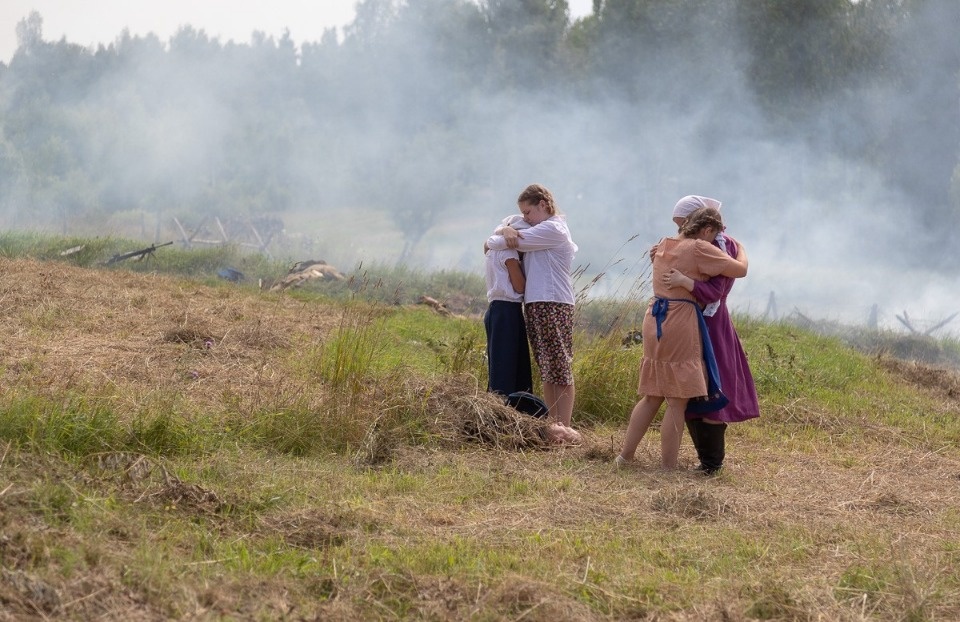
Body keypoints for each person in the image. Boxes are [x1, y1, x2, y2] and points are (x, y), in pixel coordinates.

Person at [616, 206, 748, 470]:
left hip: (654, 316)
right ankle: (668, 467)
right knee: (677, 400)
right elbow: (740, 269)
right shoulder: (700, 248)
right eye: (715, 234)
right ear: (707, 230)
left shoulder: (664, 244)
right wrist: (741, 248)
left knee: (652, 396)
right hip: (680, 319)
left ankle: (625, 457)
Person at [663, 196, 760, 474]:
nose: (681, 231)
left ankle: (711, 463)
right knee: (692, 386)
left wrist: (686, 282)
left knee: (713, 386)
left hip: (712, 324)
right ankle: (706, 460)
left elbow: (718, 290)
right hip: (689, 321)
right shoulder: (694, 243)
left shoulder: (722, 245)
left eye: (683, 223)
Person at [485, 184, 580, 443]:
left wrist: (497, 236)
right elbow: (510, 227)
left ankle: (565, 427)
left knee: (560, 366)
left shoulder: (553, 229)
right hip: (537, 302)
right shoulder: (536, 227)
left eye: (528, 212)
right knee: (547, 367)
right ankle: (554, 424)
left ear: (543, 205)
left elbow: (499, 243)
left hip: (554, 301)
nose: (525, 218)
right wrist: (505, 228)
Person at [484, 214, 533, 397]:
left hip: (495, 308)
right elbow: (519, 286)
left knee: (499, 361)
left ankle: (500, 402)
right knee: (508, 364)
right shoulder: (510, 254)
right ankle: (508, 404)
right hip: (508, 310)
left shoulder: (492, 249)